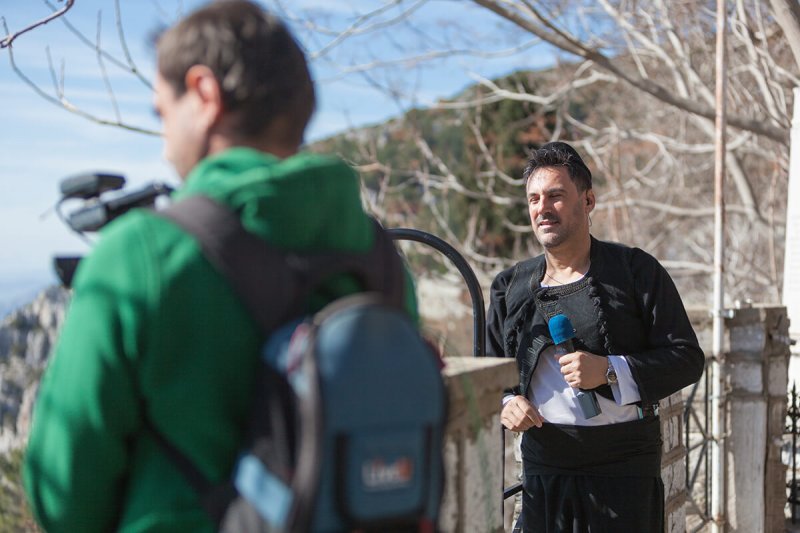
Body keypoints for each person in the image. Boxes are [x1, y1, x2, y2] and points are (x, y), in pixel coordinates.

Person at [23, 2, 416, 531]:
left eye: (162, 112)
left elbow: (62, 491)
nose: (163, 143)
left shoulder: (142, 253)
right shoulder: (377, 255)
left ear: (205, 95)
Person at [487, 141, 704, 532]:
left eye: (556, 195)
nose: (542, 208)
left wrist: (610, 371)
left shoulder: (636, 272)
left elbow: (687, 357)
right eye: (534, 199)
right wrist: (506, 402)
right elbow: (488, 372)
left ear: (587, 201)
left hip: (625, 473)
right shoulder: (509, 287)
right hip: (544, 471)